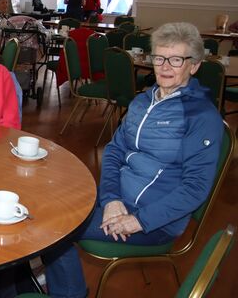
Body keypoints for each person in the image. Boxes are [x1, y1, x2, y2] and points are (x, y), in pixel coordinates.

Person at [42, 22, 224, 298]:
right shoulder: (142, 101)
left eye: (176, 59)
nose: (164, 66)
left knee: (55, 229)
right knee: (44, 206)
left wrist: (138, 220)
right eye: (159, 57)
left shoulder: (201, 117)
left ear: (194, 65)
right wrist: (112, 198)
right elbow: (115, 151)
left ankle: (70, 293)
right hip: (118, 202)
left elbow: (195, 189)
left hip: (155, 220)